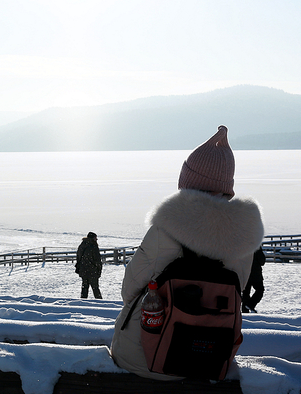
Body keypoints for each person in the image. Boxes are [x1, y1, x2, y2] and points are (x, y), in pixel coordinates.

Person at [110, 126, 264, 380]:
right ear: (227, 186)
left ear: (188, 181)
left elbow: (130, 291)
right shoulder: (243, 237)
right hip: (207, 358)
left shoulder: (166, 229)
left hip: (144, 357)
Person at [75, 232, 103, 299]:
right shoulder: (93, 246)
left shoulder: (82, 245)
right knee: (95, 288)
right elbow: (97, 260)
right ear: (92, 238)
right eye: (95, 238)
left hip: (83, 270)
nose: (97, 239)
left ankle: (83, 303)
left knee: (84, 288)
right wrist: (99, 269)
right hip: (92, 271)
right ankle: (101, 304)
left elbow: (78, 257)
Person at [243, 248, 266, 312]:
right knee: (260, 290)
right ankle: (250, 305)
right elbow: (262, 261)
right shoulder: (256, 246)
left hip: (245, 273)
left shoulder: (243, 246)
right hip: (255, 274)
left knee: (245, 293)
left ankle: (245, 313)